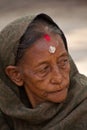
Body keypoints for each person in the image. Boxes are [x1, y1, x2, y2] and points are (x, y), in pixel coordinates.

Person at [0, 13, 87, 130]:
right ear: (16, 75)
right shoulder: (6, 115)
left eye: (63, 62)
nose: (59, 78)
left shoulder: (82, 105)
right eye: (44, 69)